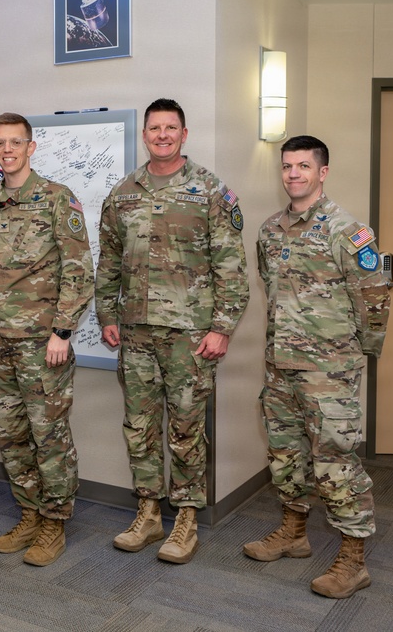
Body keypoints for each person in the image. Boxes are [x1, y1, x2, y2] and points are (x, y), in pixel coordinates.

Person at [94, 98, 249, 564]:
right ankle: (147, 513)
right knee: (139, 427)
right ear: (144, 135)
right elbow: (109, 263)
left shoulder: (209, 191)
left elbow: (232, 267)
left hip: (190, 334)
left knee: (185, 429)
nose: (162, 135)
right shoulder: (123, 193)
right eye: (154, 128)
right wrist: (106, 316)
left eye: (171, 128)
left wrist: (222, 327)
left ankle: (185, 519)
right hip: (136, 333)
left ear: (185, 133)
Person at [242, 135, 389, 599]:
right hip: (280, 367)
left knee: (336, 464)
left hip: (329, 372)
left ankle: (353, 559)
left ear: (322, 172)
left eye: (303, 166)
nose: (293, 175)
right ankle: (294, 532)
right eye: (287, 167)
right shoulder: (269, 230)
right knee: (285, 457)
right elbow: (272, 289)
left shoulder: (347, 230)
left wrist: (352, 355)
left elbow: (375, 299)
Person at [0, 112, 94, 567]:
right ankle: (29, 515)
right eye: (0, 143)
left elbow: (79, 270)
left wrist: (62, 331)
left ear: (31, 147)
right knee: (13, 436)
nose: (7, 150)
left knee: (49, 435)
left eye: (15, 142)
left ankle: (54, 524)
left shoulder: (58, 199)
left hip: (43, 343)